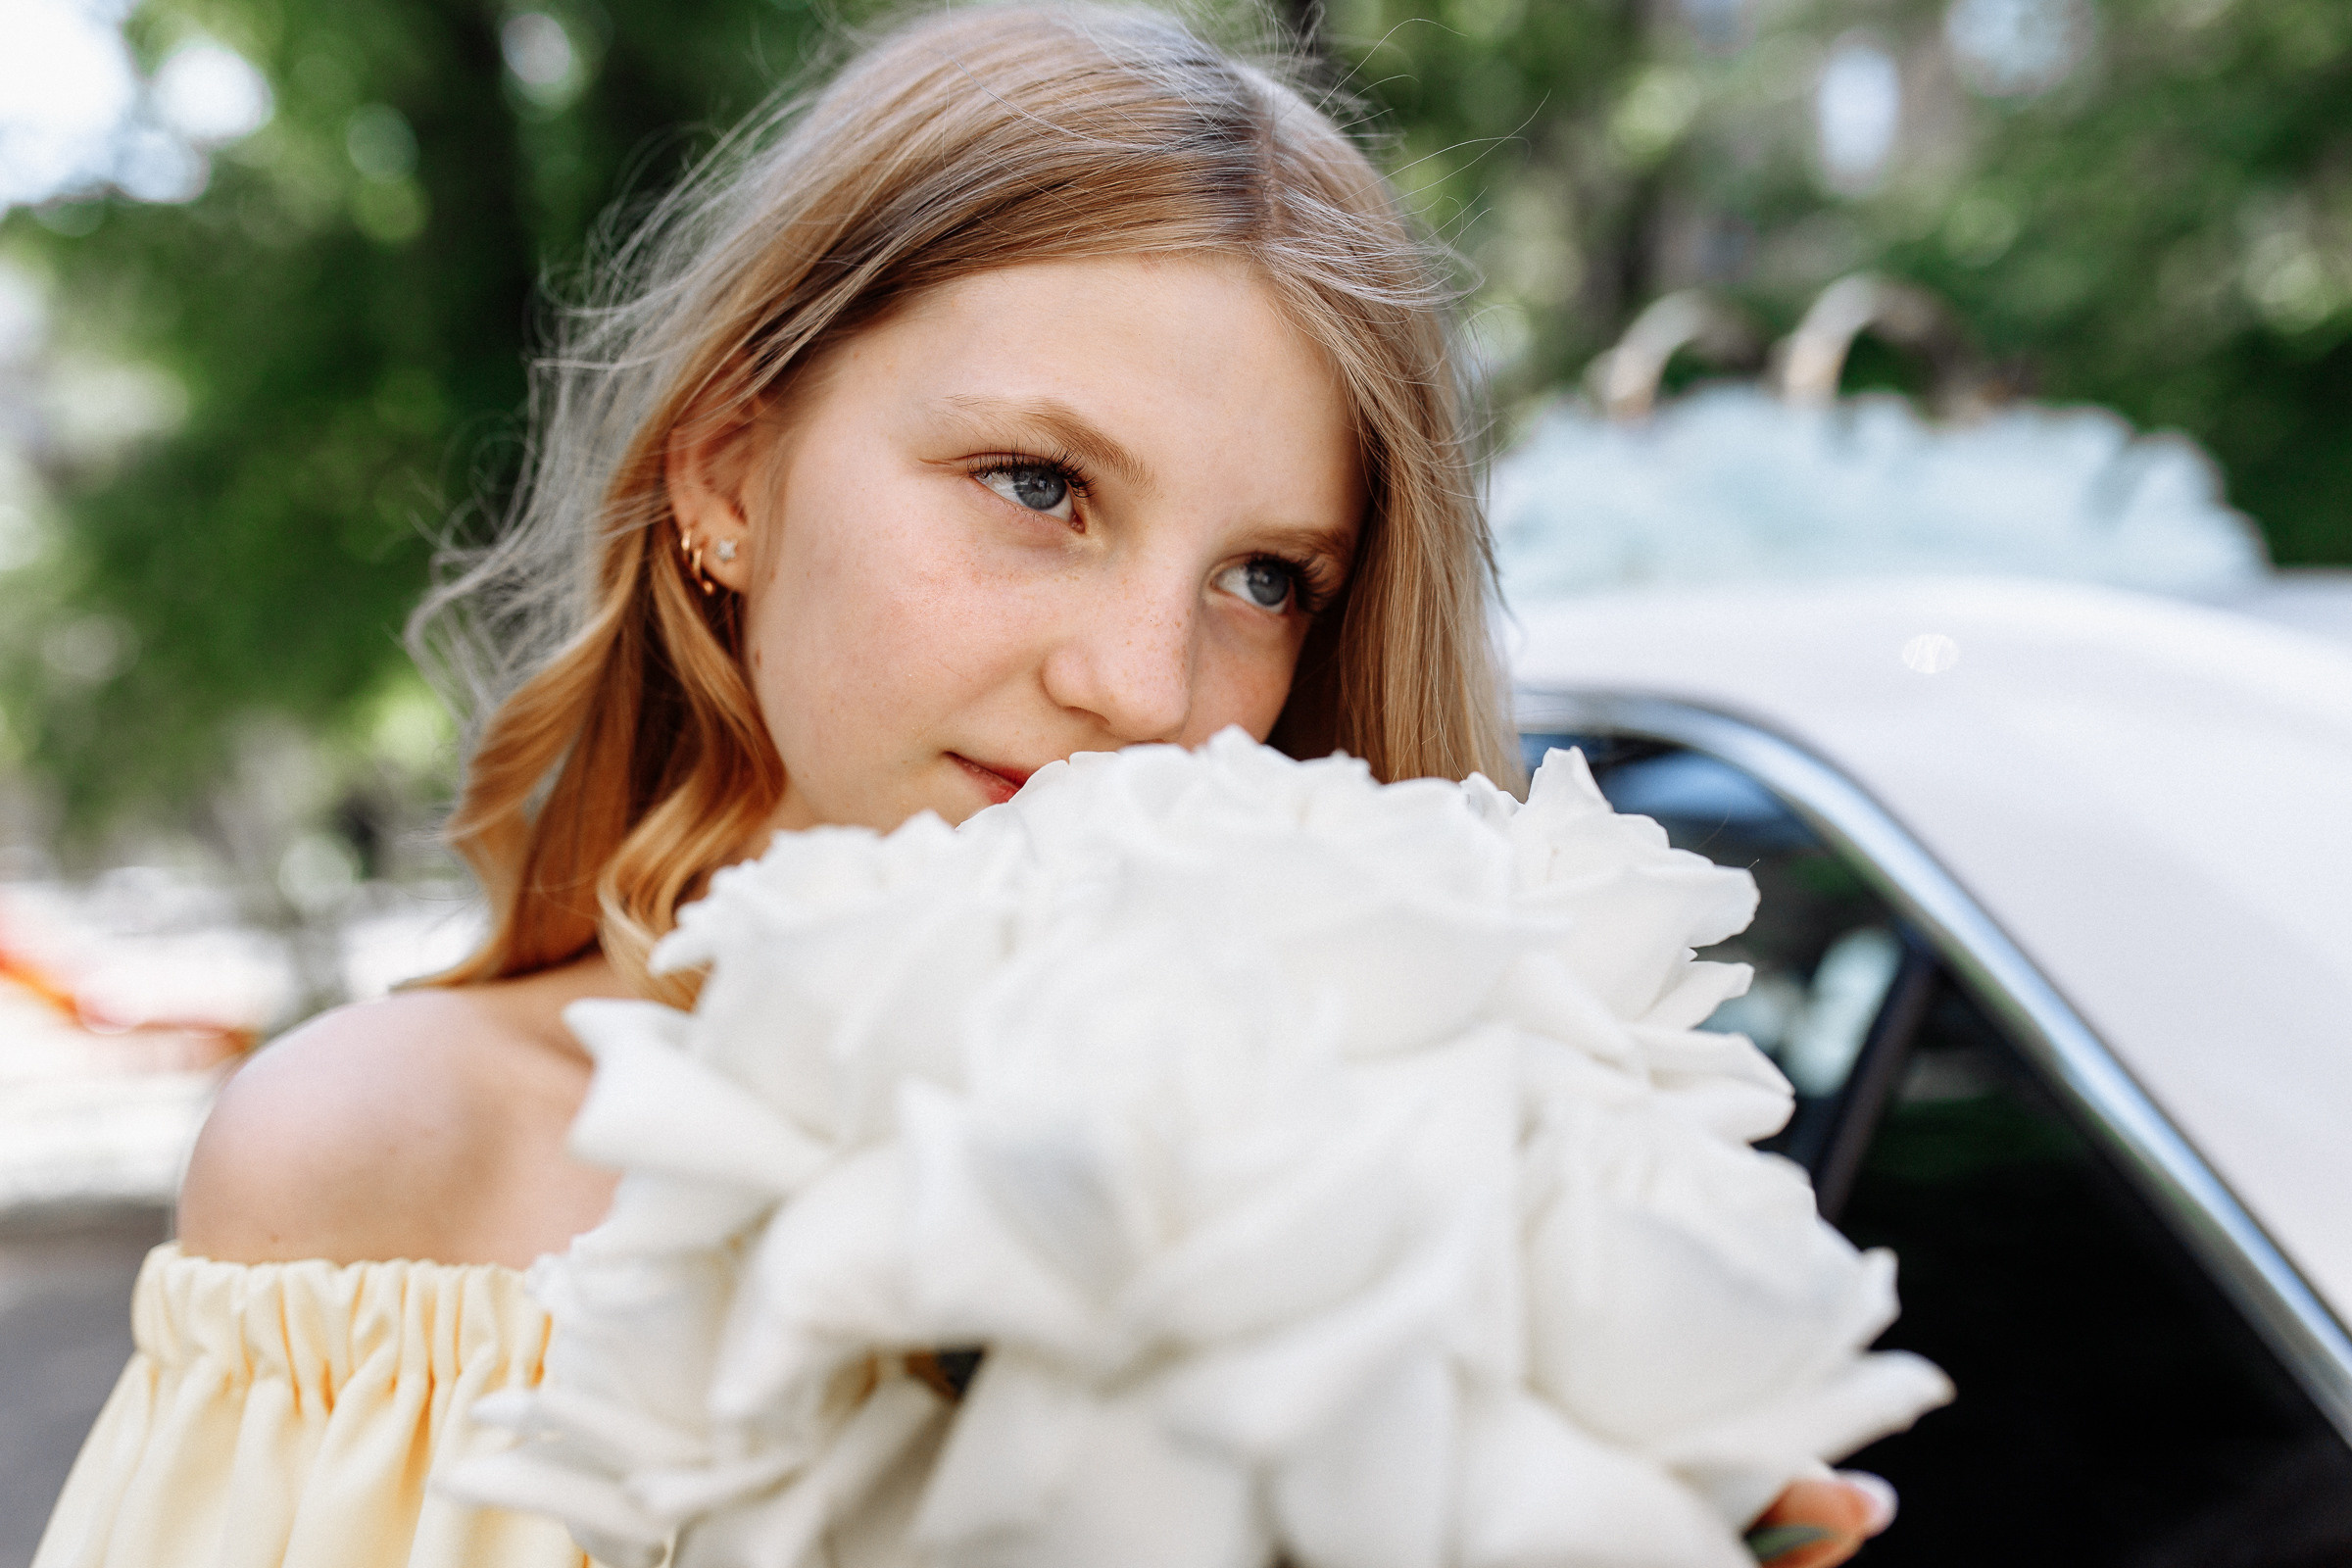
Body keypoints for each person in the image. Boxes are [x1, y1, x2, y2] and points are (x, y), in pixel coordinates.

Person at [34, 7, 1895, 1566]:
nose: (1147, 686)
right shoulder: (391, 1168)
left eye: (1266, 579)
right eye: (1037, 484)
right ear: (730, 475)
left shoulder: (1454, 1155)